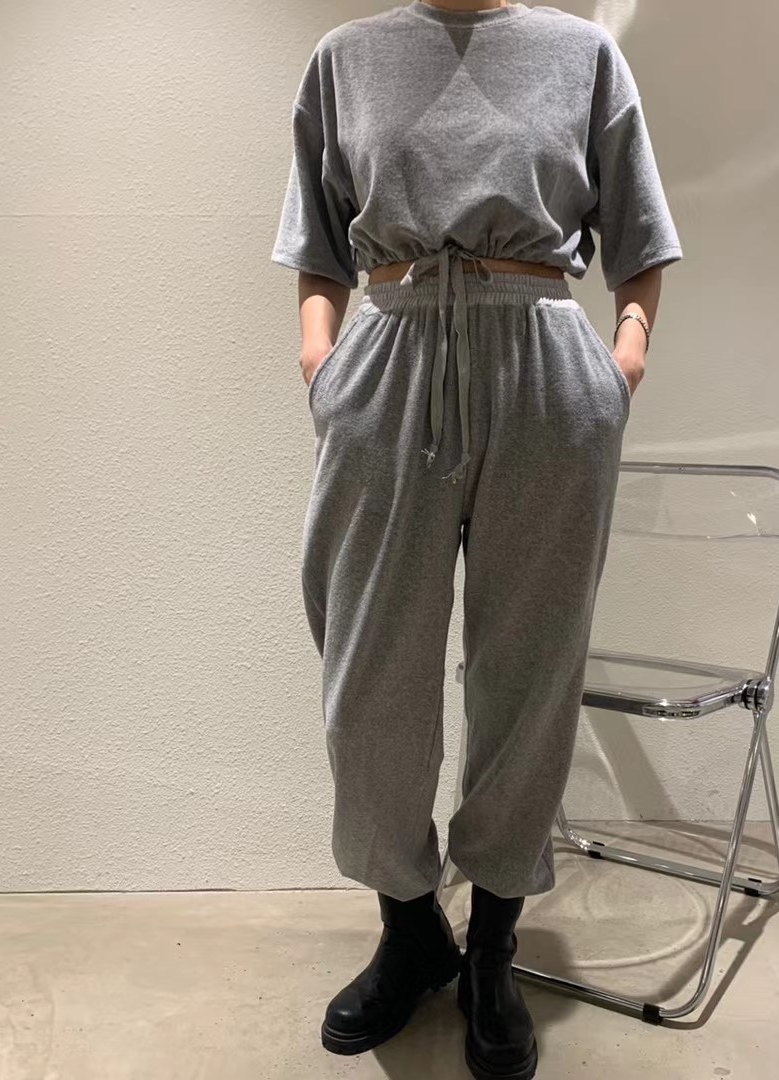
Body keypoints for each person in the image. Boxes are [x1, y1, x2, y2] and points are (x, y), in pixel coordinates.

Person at [271, 2, 681, 1076]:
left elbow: (641, 238)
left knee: (529, 671)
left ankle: (494, 943)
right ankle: (411, 931)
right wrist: (322, 364)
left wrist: (622, 360)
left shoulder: (582, 55)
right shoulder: (347, 58)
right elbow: (316, 243)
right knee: (369, 672)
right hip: (389, 357)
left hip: (546, 370)